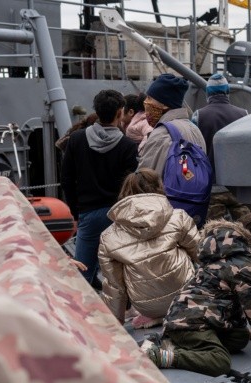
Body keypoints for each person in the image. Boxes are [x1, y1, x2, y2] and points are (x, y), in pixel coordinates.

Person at [147, 210, 251, 376]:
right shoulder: (244, 266)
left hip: (184, 316)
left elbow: (232, 301)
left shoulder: (219, 252)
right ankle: (163, 355)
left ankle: (177, 342)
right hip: (191, 324)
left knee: (240, 337)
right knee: (220, 362)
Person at [98, 168, 201, 329]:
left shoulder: (109, 236)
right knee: (188, 250)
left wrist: (115, 322)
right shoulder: (178, 217)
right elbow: (202, 254)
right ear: (159, 187)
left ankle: (156, 315)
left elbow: (114, 286)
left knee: (123, 274)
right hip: (186, 295)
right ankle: (175, 312)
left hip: (147, 306)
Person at [61, 90, 138, 285]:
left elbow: (67, 179)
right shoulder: (128, 146)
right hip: (117, 215)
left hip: (88, 214)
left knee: (82, 273)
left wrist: (75, 212)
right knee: (120, 276)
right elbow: (131, 187)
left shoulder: (77, 139)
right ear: (120, 113)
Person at [191, 73, 250, 221]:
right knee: (249, 227)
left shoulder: (198, 116)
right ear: (227, 91)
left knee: (215, 230)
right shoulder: (244, 115)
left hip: (212, 186)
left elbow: (193, 150)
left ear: (208, 93)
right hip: (239, 187)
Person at [138, 73, 206, 176]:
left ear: (164, 104)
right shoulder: (195, 129)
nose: (145, 102)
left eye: (149, 98)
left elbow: (144, 178)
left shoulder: (161, 133)